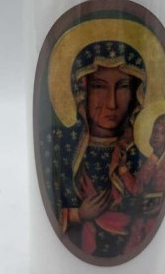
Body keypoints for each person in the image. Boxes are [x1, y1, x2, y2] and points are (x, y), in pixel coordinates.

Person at [40, 40, 147, 259]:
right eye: (99, 86)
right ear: (82, 91)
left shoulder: (142, 150)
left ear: (135, 92)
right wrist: (77, 214)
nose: (111, 103)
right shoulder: (58, 144)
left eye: (123, 86)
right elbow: (50, 204)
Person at [113, 113, 165, 252]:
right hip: (144, 219)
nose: (156, 136)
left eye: (162, 132)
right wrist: (122, 167)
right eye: (155, 131)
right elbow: (137, 189)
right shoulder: (150, 161)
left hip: (164, 218)